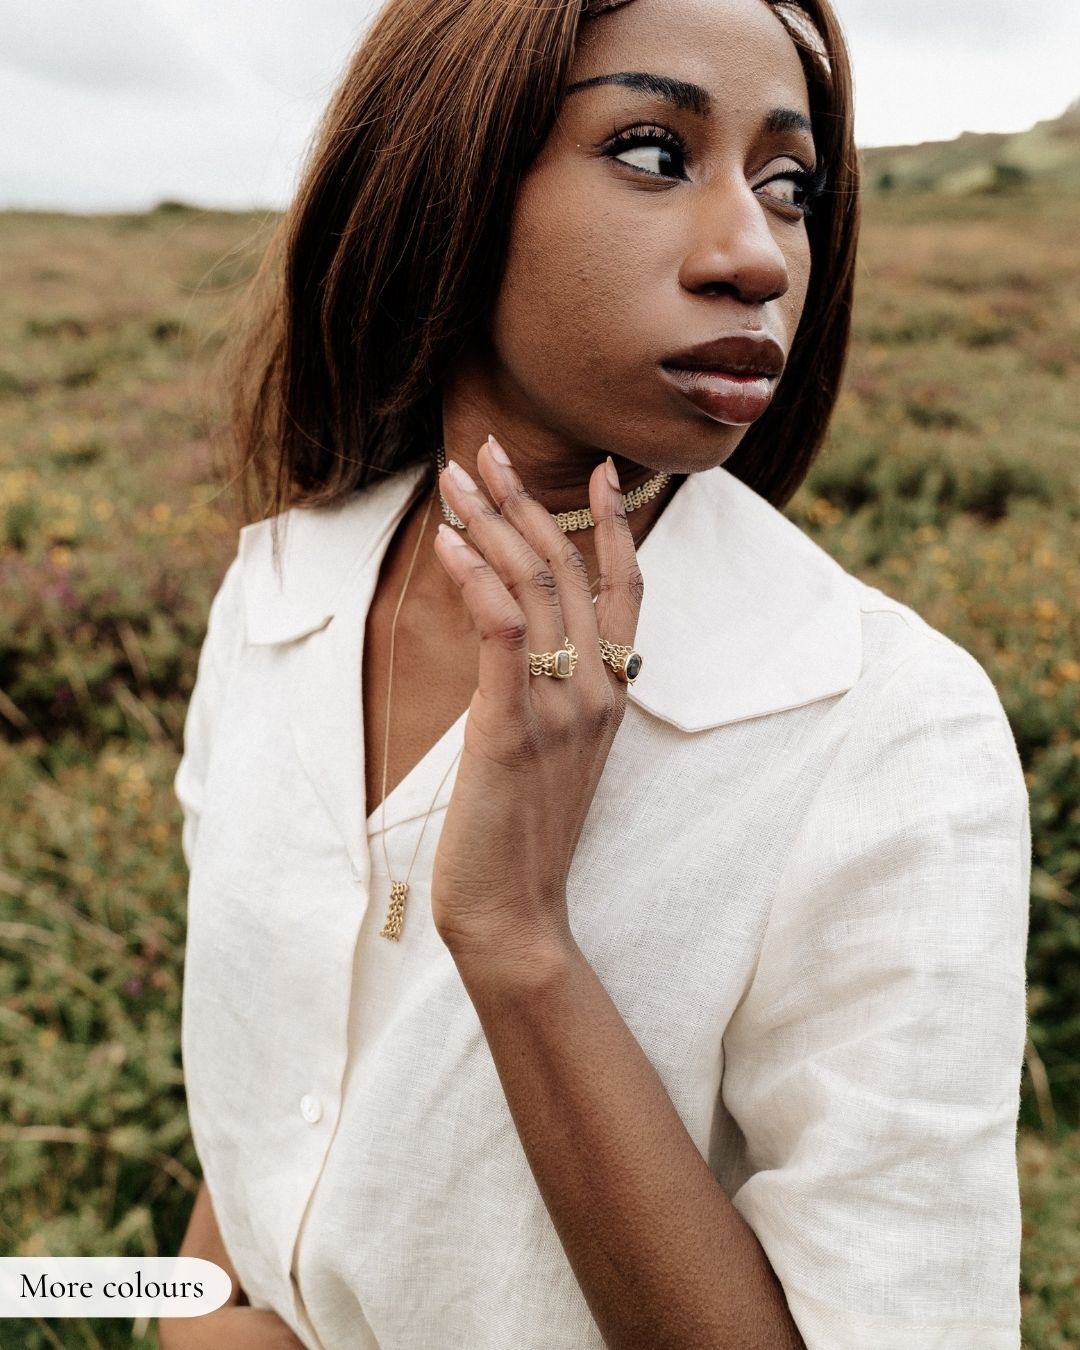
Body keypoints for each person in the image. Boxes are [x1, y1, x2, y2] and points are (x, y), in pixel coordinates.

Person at [159, 0, 1032, 1346]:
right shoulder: (278, 594)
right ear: (444, 175)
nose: (757, 255)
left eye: (790, 185)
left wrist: (520, 940)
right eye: (650, 150)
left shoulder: (885, 728)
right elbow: (264, 1128)